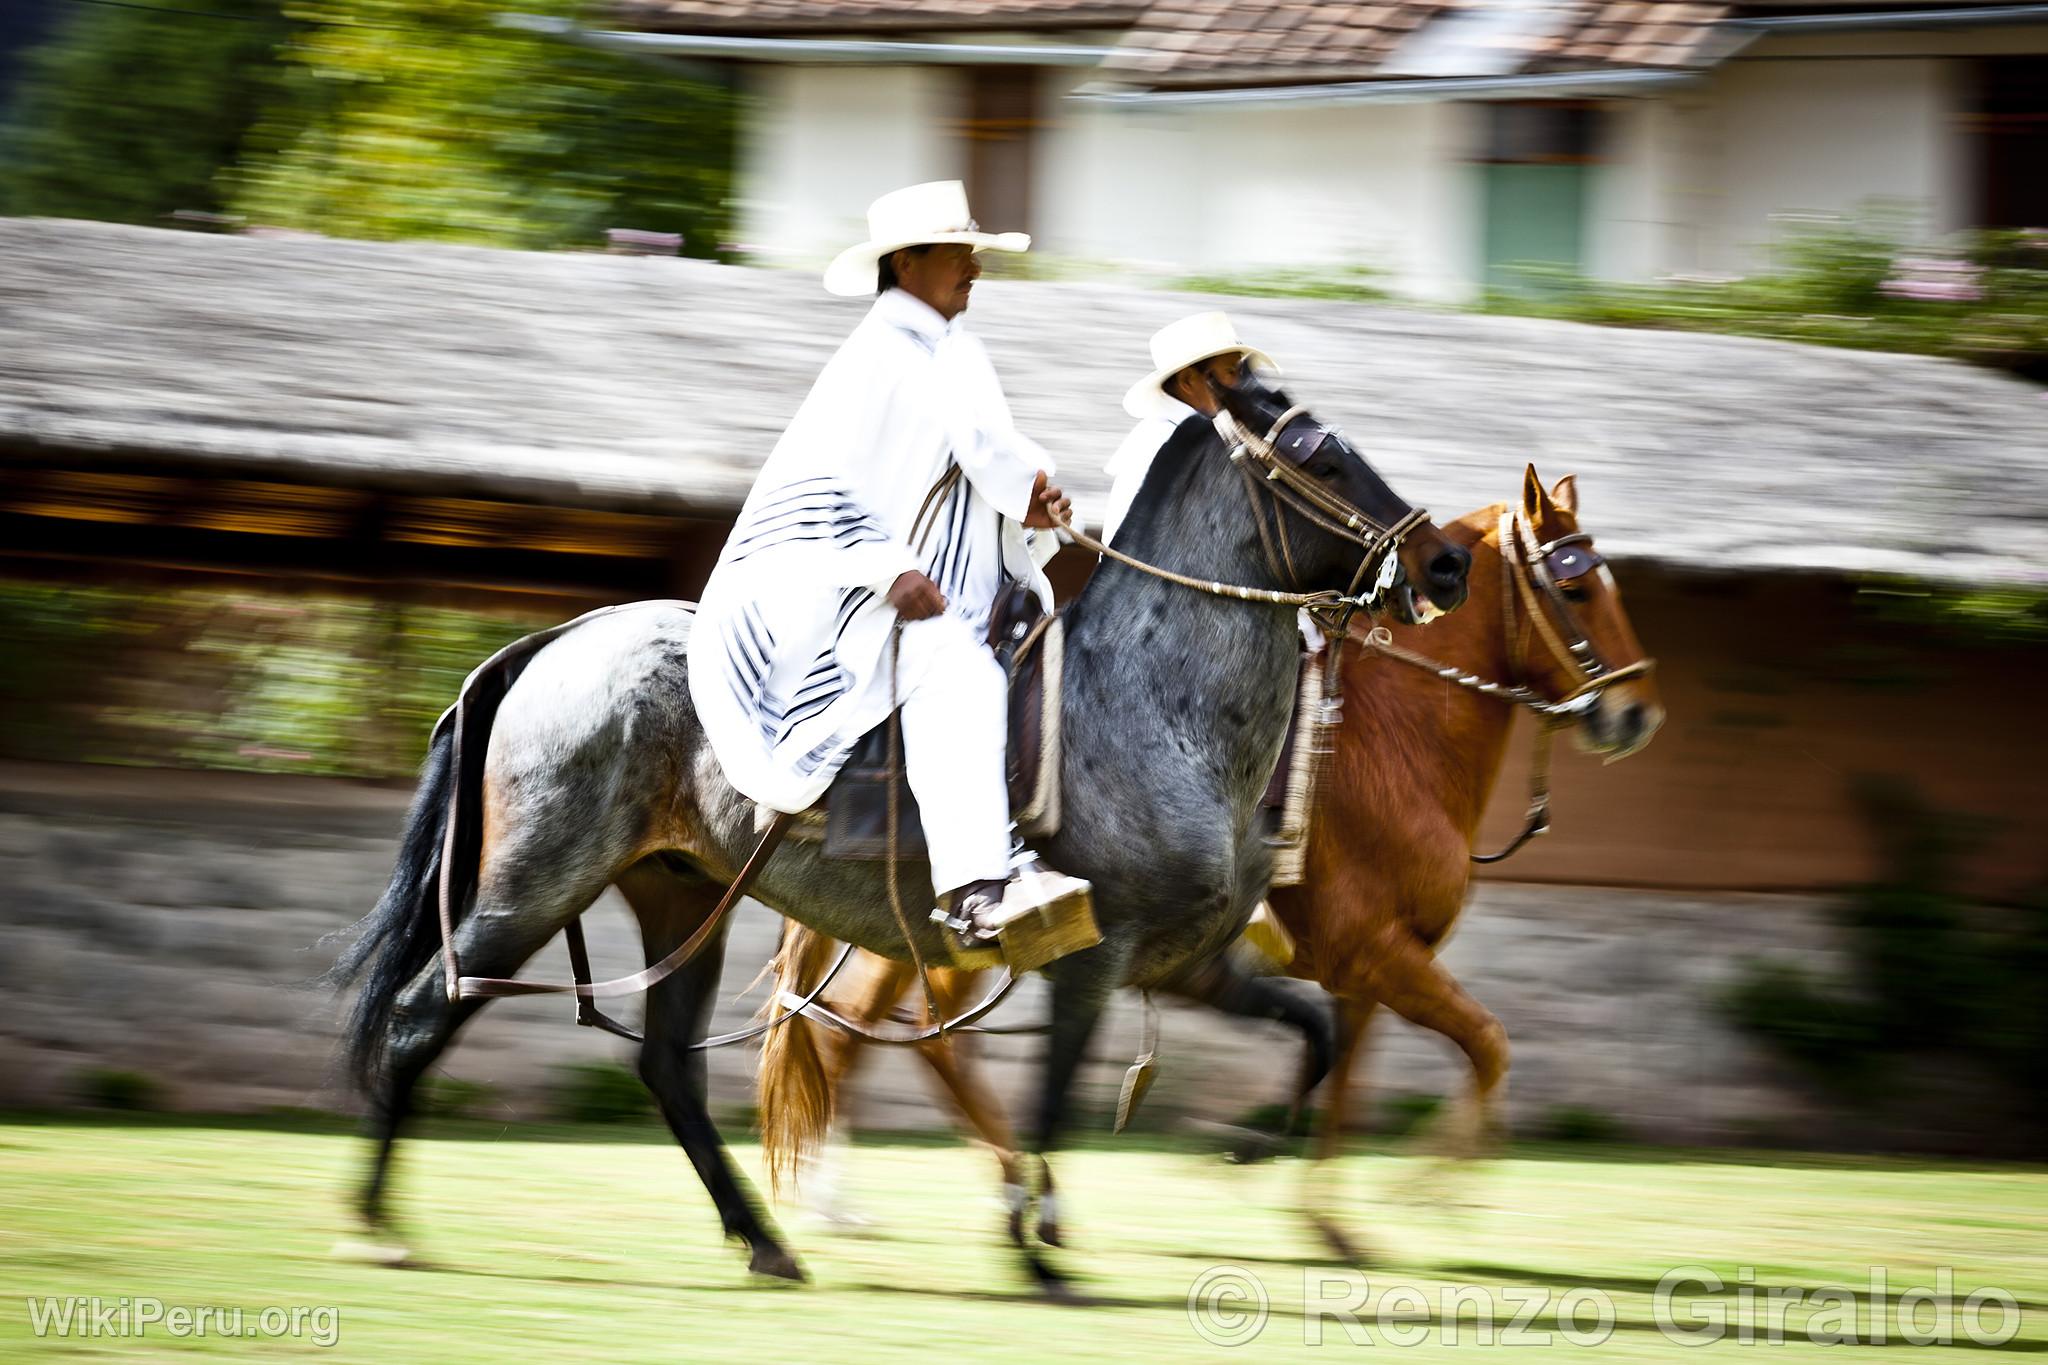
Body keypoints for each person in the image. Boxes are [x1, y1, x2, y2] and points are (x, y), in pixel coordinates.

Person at [688, 180, 1090, 957]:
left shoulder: (956, 353)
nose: (975, 267)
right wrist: (887, 569)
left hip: (944, 589)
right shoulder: (872, 357)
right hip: (849, 601)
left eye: (975, 254)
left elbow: (978, 467)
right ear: (908, 262)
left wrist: (1028, 507)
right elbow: (816, 485)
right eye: (960, 253)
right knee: (957, 670)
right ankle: (977, 891)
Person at [1102, 311, 1279, 547]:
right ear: (1187, 381)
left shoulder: (1191, 436)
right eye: (1231, 372)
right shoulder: (1161, 445)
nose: (1242, 383)